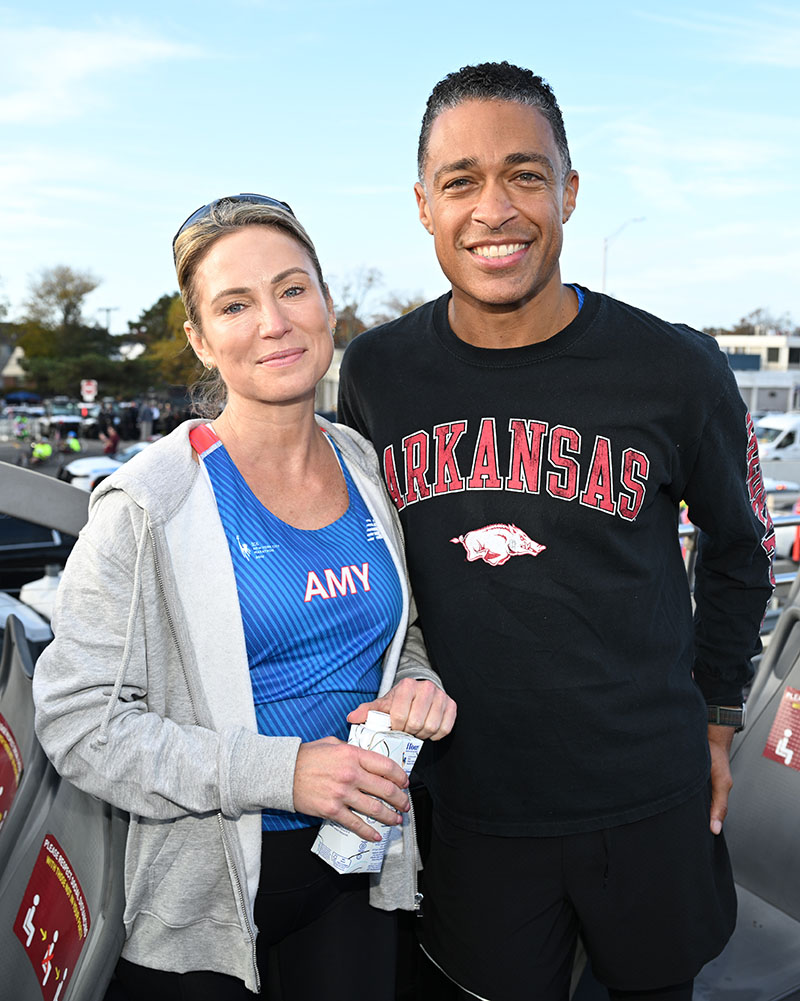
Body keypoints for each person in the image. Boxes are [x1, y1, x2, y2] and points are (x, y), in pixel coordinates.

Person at [337, 62, 775, 1001]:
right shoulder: (376, 375)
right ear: (423, 205)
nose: (494, 208)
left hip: (648, 796)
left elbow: (742, 552)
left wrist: (717, 718)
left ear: (569, 192)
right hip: (469, 802)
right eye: (461, 181)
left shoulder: (676, 368)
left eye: (525, 175)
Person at [33, 193, 456, 1000]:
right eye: (236, 303)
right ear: (201, 338)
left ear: (328, 304)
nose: (275, 322)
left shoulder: (363, 465)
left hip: (360, 864)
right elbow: (78, 720)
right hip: (210, 898)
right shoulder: (149, 504)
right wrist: (281, 769)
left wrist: (418, 685)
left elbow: (399, 637)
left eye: (293, 289)